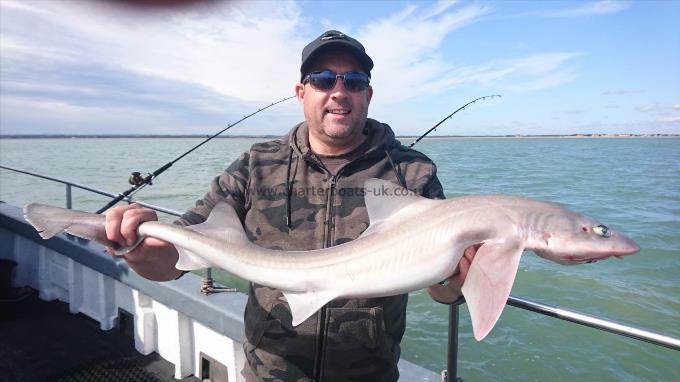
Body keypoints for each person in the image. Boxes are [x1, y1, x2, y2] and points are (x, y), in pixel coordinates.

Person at [104, 30, 475, 382]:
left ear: (368, 94)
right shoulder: (256, 166)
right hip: (268, 372)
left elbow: (443, 291)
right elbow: (173, 260)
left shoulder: (411, 172)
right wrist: (138, 249)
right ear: (301, 92)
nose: (339, 92)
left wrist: (457, 277)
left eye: (354, 81)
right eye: (324, 79)